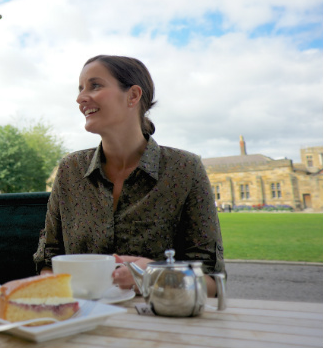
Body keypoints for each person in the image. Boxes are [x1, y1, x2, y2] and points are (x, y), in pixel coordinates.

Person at [33, 55, 225, 296]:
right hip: (82, 320)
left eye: (95, 85)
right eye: (81, 88)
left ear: (133, 96)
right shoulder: (70, 169)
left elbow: (213, 282)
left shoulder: (185, 169)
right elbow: (48, 261)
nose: (80, 98)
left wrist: (153, 275)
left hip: (159, 325)